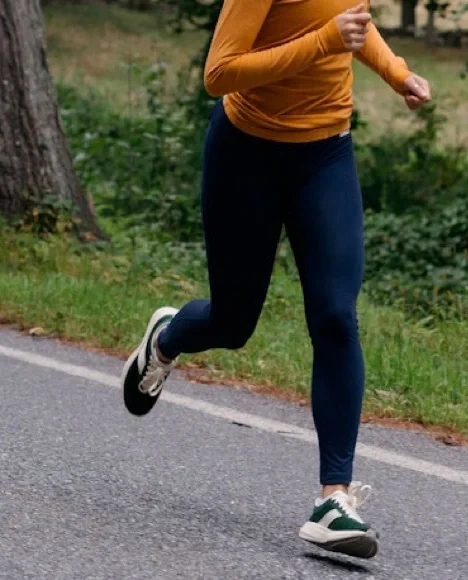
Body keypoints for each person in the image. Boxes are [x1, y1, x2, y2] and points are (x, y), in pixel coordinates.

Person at [121, 0, 431, 559]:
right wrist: (324, 40)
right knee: (232, 322)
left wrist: (396, 72)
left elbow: (353, 23)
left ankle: (333, 499)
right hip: (246, 156)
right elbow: (219, 73)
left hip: (326, 155)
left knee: (335, 315)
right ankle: (167, 338)